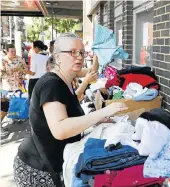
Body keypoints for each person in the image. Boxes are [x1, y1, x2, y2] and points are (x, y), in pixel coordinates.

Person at [13, 33, 128, 187]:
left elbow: (92, 72)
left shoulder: (67, 78)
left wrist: (97, 53)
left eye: (81, 52)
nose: (79, 57)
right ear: (57, 57)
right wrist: (102, 113)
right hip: (38, 168)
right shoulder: (52, 85)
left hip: (51, 163)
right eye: (72, 52)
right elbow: (60, 129)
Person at [1, 44, 33, 137]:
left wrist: (22, 77)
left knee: (19, 104)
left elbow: (25, 69)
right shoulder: (3, 60)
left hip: (19, 86)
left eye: (14, 51)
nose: (14, 53)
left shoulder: (19, 59)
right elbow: (1, 74)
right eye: (11, 51)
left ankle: (15, 117)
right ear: (7, 51)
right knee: (4, 108)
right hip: (7, 87)